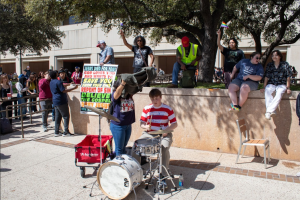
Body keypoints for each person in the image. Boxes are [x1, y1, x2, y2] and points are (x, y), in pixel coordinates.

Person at [132, 89, 177, 186]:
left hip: (164, 134)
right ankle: (136, 173)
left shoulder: (167, 109)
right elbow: (142, 123)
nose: (154, 101)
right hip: (149, 134)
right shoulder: (147, 108)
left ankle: (163, 176)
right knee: (135, 146)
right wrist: (145, 126)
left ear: (160, 97)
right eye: (152, 99)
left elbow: (174, 124)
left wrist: (166, 131)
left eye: (156, 98)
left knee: (163, 149)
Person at [260, 50, 293, 120]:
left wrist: (288, 88)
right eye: (273, 55)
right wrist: (264, 87)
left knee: (280, 92)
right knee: (267, 90)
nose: (274, 57)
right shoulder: (270, 65)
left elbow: (288, 76)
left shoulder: (285, 64)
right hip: (271, 83)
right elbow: (266, 76)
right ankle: (272, 110)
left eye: (276, 55)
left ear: (280, 56)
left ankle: (269, 111)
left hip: (281, 83)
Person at [110, 78, 135, 156]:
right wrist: (123, 83)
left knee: (123, 147)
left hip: (128, 124)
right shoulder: (115, 94)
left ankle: (121, 164)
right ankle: (118, 165)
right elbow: (116, 95)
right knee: (119, 149)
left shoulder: (129, 95)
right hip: (118, 125)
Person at [49, 71, 78, 137]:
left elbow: (61, 85)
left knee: (58, 117)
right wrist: (73, 88)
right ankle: (66, 132)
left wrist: (68, 84)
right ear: (57, 75)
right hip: (61, 101)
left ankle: (56, 132)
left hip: (55, 101)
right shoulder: (58, 82)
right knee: (66, 116)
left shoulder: (51, 82)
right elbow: (63, 90)